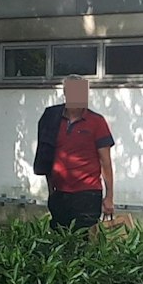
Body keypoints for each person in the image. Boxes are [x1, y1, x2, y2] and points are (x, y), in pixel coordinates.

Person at [31, 76, 115, 230]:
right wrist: (51, 193)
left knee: (84, 244)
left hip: (88, 195)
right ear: (65, 93)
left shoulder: (97, 121)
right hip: (60, 194)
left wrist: (109, 198)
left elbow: (105, 162)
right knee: (60, 244)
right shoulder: (52, 119)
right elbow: (45, 156)